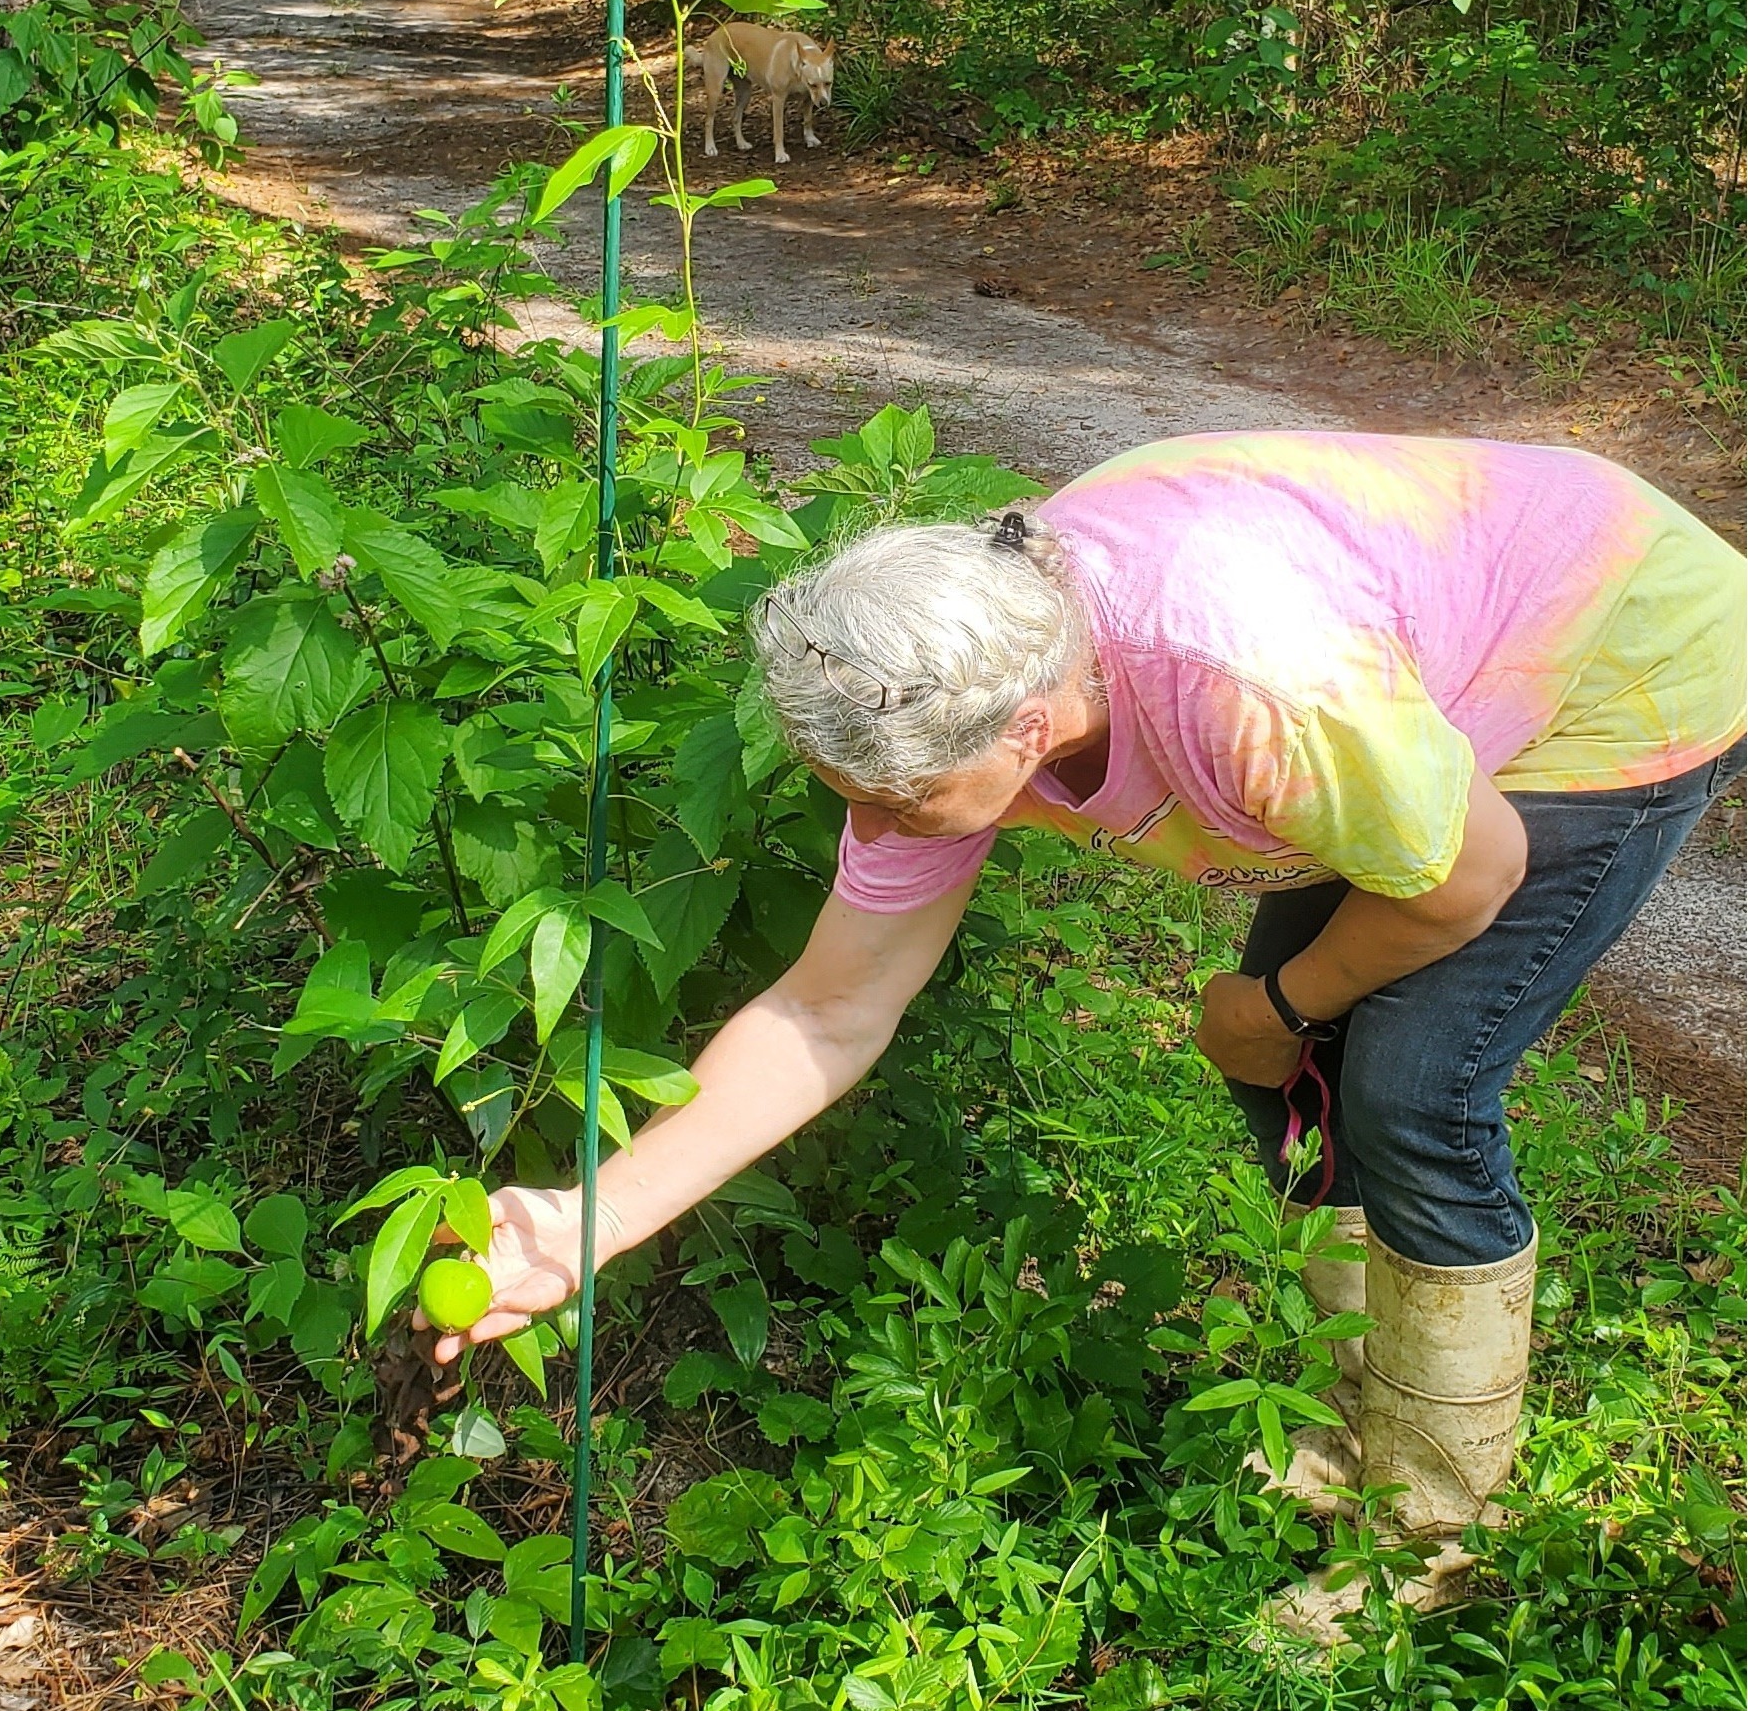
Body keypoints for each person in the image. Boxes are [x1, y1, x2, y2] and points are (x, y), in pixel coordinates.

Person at [417, 434, 1745, 1630]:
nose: (870, 823)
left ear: (1031, 726)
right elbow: (830, 1005)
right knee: (1292, 1079)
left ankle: (1430, 1542)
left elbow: (1467, 876)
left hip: (1612, 662)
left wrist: (1274, 1002)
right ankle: (1350, 1433)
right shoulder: (941, 683)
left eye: (902, 801)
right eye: (845, 791)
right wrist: (598, 1216)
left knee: (1404, 1092)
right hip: (1395, 667)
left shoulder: (1249, 697)